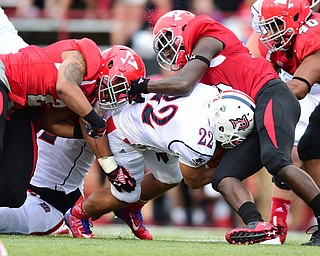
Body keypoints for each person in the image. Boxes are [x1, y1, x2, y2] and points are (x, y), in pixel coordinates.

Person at [127, 9, 320, 245]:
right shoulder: (202, 71)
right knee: (224, 176)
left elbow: (183, 84)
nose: (169, 52)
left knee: (277, 161)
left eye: (169, 42)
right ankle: (257, 225)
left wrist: (140, 86)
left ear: (185, 32)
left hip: (271, 93)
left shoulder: (207, 37)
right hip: (253, 112)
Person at [64, 57, 257, 241]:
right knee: (126, 192)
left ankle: (130, 209)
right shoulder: (197, 140)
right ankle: (78, 214)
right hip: (123, 131)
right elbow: (194, 180)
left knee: (170, 177)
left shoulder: (212, 92)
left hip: (151, 126)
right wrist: (232, 167)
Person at [0, 30, 136, 210]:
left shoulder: (86, 98)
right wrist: (96, 122)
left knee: (13, 192)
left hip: (21, 110)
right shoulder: (82, 59)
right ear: (108, 67)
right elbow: (64, 86)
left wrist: (112, 170)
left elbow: (51, 123)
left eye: (122, 89)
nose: (115, 92)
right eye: (117, 83)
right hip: (5, 79)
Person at [246, 0, 320, 244]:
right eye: (267, 26)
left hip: (305, 86)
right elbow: (253, 59)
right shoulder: (280, 36)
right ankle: (277, 225)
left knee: (307, 148)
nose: (269, 32)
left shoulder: (313, 34)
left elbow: (298, 88)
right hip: (306, 88)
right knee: (295, 150)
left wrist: (262, 95)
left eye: (275, 25)